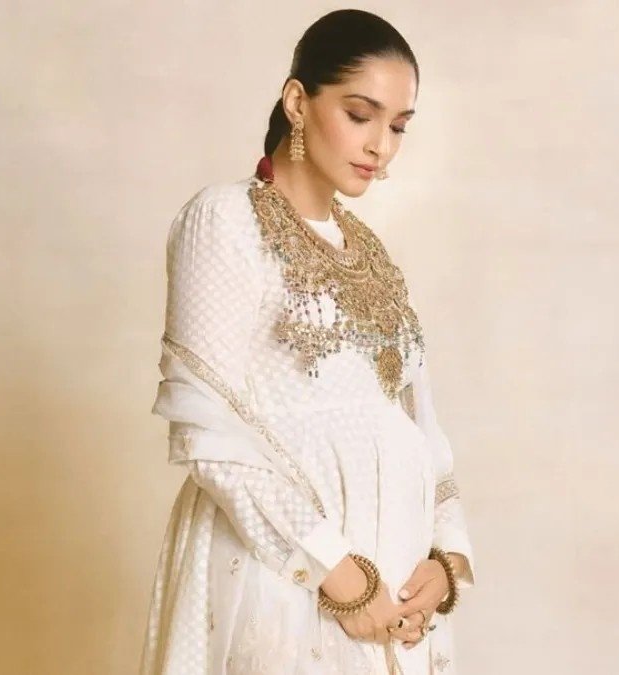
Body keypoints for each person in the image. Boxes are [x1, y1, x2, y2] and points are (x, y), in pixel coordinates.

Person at [141, 10, 476, 674]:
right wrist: (336, 573)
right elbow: (207, 424)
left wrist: (444, 560)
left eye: (398, 126)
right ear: (298, 101)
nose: (381, 145)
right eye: (360, 115)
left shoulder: (370, 253)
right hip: (283, 579)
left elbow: (418, 421)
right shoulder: (225, 220)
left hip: (393, 591)